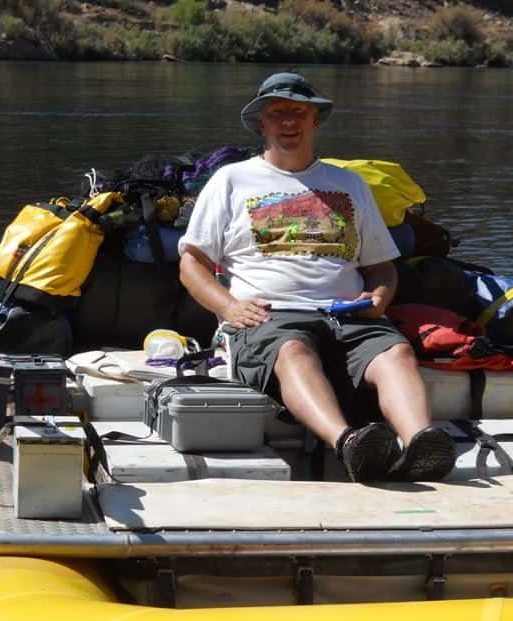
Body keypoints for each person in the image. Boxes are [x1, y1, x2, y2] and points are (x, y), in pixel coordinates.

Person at [177, 71, 456, 484]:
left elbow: (380, 265)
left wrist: (379, 296)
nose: (288, 121)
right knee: (293, 350)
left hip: (349, 315)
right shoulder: (230, 180)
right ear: (261, 123)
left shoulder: (349, 184)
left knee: (396, 352)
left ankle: (421, 445)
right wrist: (229, 307)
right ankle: (349, 443)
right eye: (277, 113)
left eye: (298, 111)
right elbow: (192, 263)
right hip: (271, 317)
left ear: (315, 120)